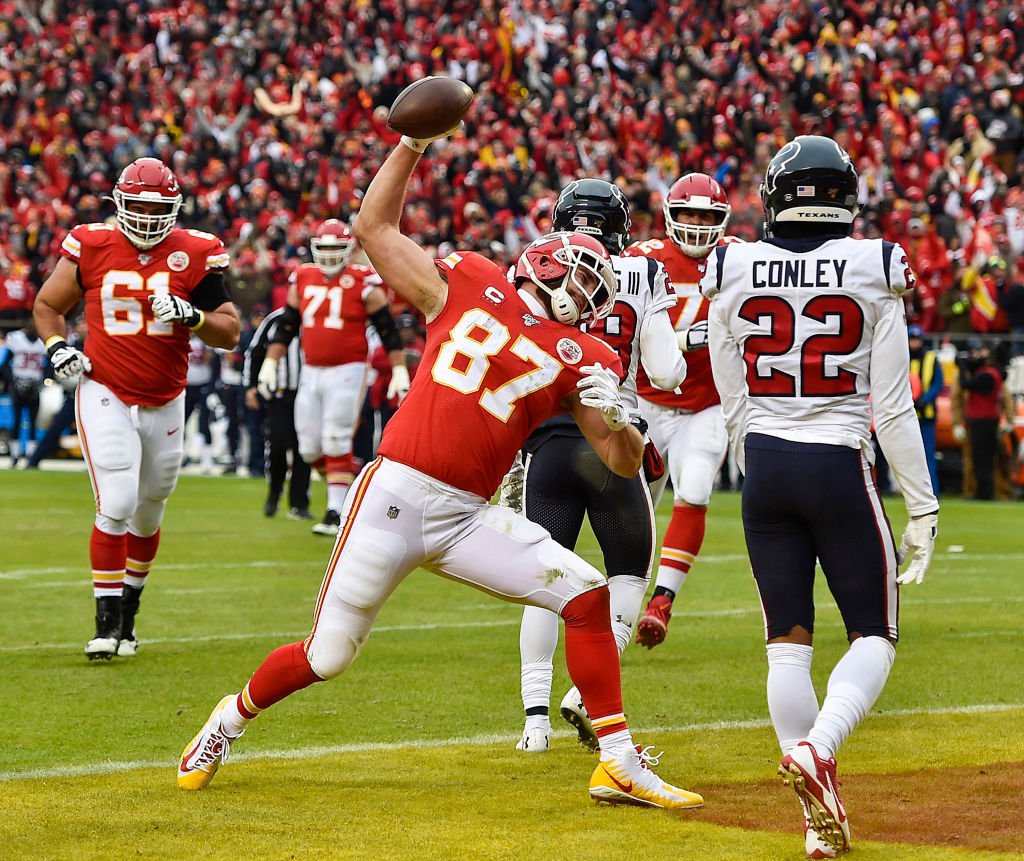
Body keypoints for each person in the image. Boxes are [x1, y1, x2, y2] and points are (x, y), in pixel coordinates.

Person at [177, 125, 703, 810]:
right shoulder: (470, 282)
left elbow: (617, 459)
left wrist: (626, 419)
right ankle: (226, 722)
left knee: (586, 594)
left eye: (599, 286)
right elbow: (372, 225)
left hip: (466, 517)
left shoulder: (585, 357)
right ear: (546, 261)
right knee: (328, 654)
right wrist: (411, 142)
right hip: (395, 495)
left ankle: (617, 760)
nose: (591, 292)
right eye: (584, 276)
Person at [702, 135, 939, 858]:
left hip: (766, 464)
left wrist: (749, 450)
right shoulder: (875, 262)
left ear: (776, 196)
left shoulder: (732, 261)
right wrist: (922, 505)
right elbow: (894, 406)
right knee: (875, 633)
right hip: (836, 461)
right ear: (847, 196)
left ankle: (815, 821)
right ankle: (821, 749)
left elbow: (727, 378)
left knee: (786, 647)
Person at [33, 156, 240, 660]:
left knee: (149, 511)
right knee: (118, 500)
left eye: (157, 207)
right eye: (138, 205)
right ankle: (105, 623)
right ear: (118, 204)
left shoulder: (196, 252)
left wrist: (192, 315)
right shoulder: (92, 244)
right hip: (104, 388)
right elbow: (47, 306)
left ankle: (129, 610)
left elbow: (229, 332)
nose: (147, 217)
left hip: (167, 396)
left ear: (175, 207)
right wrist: (58, 347)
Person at [510, 178, 687, 753]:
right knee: (629, 574)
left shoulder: (535, 262)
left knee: (542, 583)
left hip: (545, 438)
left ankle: (533, 724)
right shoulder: (642, 271)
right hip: (611, 435)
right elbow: (665, 373)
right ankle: (584, 695)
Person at [622, 173, 734, 648]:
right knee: (633, 514)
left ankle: (662, 602)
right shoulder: (642, 260)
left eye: (706, 216)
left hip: (705, 407)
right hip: (646, 402)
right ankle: (620, 607)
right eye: (687, 214)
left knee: (697, 486)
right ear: (669, 214)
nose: (695, 225)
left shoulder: (737, 259)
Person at [258, 220, 410, 536]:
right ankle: (356, 491)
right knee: (310, 448)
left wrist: (398, 368)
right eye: (323, 249)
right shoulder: (303, 277)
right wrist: (270, 362)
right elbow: (287, 325)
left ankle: (336, 511)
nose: (328, 256)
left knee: (336, 438)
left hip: (349, 369)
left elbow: (387, 329)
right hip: (311, 370)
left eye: (335, 248)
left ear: (349, 250)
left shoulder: (363, 281)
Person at [245, 305, 311, 519]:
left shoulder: (318, 316)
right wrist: (251, 387)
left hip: (310, 394)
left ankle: (299, 504)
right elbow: (255, 352)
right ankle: (274, 493)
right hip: (280, 395)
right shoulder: (275, 320)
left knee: (305, 450)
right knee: (277, 446)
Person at [953, 340, 1004, 500]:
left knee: (982, 458)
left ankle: (985, 492)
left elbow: (965, 384)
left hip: (983, 421)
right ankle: (984, 491)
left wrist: (962, 366)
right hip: (986, 420)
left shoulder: (987, 375)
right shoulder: (991, 372)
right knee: (983, 458)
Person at [0, 319, 46, 465]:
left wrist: (43, 381)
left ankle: (31, 456)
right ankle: (15, 455)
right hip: (18, 384)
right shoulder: (16, 339)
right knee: (17, 420)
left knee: (33, 420)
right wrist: (14, 381)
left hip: (35, 385)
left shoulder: (42, 342)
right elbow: (4, 365)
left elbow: (49, 367)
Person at [907, 324, 944, 495]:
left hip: (926, 415)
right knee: (908, 457)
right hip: (906, 415)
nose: (915, 343)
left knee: (928, 455)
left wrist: (924, 400)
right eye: (912, 339)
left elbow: (938, 383)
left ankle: (932, 492)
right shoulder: (901, 357)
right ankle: (912, 493)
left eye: (917, 339)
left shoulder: (930, 358)